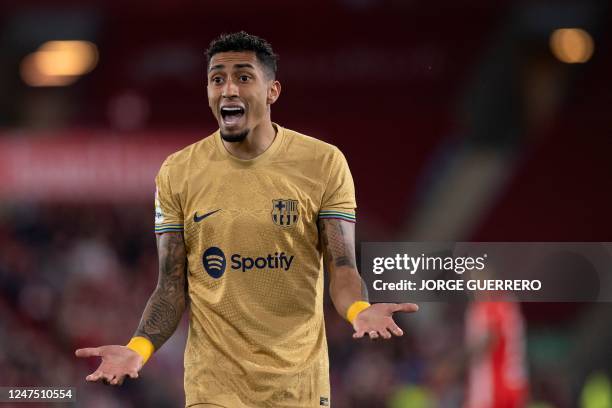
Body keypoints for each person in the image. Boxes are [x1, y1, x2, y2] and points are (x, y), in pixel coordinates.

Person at [75, 31, 419, 407]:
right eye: (216, 79)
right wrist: (138, 348)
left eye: (243, 77)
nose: (228, 90)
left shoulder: (322, 163)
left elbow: (342, 267)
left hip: (298, 386)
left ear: (272, 91)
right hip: (214, 388)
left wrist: (359, 310)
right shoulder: (178, 172)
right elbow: (172, 285)